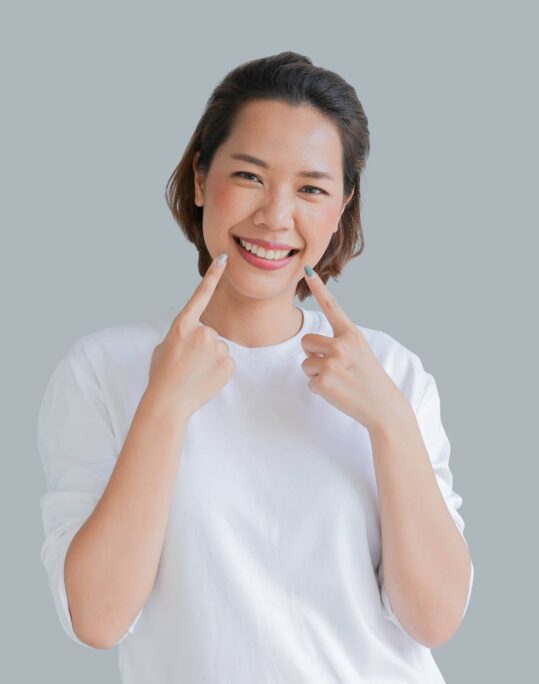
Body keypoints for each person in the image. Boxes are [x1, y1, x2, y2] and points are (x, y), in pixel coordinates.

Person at [36, 51, 473, 683]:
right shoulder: (103, 370)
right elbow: (98, 620)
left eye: (312, 188)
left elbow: (433, 620)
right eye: (249, 175)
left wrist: (389, 420)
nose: (275, 215)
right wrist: (164, 404)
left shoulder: (390, 372)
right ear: (198, 178)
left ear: (342, 206)